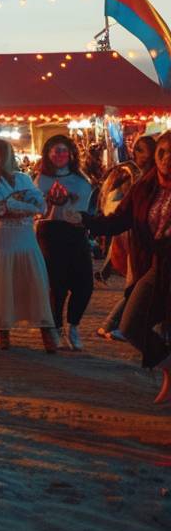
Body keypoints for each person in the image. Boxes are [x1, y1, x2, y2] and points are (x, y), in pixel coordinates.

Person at [84, 131, 171, 404]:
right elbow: (120, 219)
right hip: (157, 267)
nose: (167, 159)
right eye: (162, 152)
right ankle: (168, 367)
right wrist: (86, 221)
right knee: (132, 325)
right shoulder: (145, 186)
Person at [0, 138, 56, 351]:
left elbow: (39, 205)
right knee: (2, 285)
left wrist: (12, 203)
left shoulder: (22, 177)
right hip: (4, 239)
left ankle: (46, 331)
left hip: (24, 237)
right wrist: (19, 203)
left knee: (34, 284)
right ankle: (4, 332)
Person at [34, 134, 95, 351]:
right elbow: (37, 209)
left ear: (71, 154)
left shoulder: (82, 180)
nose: (59, 155)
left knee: (85, 284)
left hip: (76, 231)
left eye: (63, 150)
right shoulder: (41, 180)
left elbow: (87, 209)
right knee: (57, 284)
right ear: (48, 154)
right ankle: (56, 327)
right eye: (55, 150)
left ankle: (74, 325)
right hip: (50, 230)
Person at [97, 134, 155, 337]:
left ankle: (118, 324)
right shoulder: (135, 180)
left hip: (154, 252)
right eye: (138, 150)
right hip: (141, 247)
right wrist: (88, 222)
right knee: (136, 288)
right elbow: (118, 214)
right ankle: (118, 325)